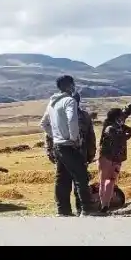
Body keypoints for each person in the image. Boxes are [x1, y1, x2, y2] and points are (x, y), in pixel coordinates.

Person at [40, 75, 94, 217]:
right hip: (70, 146)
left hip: (59, 147)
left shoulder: (52, 103)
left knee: (62, 179)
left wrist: (56, 137)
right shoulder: (69, 101)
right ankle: (87, 210)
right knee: (81, 177)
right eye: (73, 84)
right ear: (69, 86)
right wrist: (73, 138)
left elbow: (43, 123)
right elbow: (71, 120)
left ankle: (63, 210)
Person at [97, 108, 131, 214]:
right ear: (116, 117)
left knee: (109, 181)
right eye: (121, 116)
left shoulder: (121, 127)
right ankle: (104, 204)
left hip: (115, 158)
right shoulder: (110, 127)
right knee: (105, 181)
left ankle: (105, 205)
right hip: (107, 157)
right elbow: (113, 135)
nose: (123, 118)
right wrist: (124, 137)